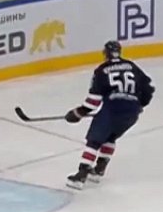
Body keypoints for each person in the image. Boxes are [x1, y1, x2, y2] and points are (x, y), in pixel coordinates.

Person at [64, 40, 154, 189]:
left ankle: (81, 174)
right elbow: (148, 88)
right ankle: (99, 169)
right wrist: (138, 105)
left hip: (113, 109)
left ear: (105, 53)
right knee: (110, 137)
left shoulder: (102, 70)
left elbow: (93, 101)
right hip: (132, 112)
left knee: (94, 140)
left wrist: (78, 113)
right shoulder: (132, 66)